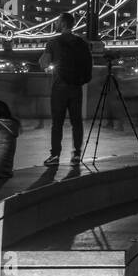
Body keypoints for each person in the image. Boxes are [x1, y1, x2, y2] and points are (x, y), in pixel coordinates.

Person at [38, 11, 93, 167]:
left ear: (62, 24)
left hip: (59, 88)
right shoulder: (82, 43)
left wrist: (47, 65)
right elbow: (89, 66)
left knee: (57, 123)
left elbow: (43, 63)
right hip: (76, 87)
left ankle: (55, 156)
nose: (56, 24)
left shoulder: (53, 42)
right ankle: (76, 155)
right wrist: (81, 81)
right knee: (77, 122)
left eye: (57, 21)